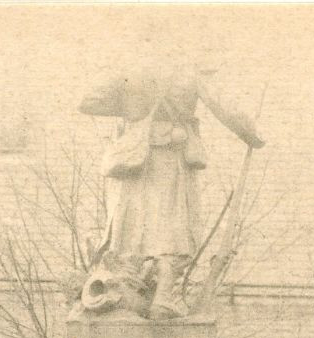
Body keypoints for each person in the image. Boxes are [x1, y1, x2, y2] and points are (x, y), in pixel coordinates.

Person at [78, 61, 263, 320]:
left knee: (129, 228)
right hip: (170, 159)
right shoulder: (188, 67)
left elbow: (88, 101)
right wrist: (253, 134)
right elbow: (225, 107)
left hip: (132, 161)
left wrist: (133, 108)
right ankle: (163, 297)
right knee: (175, 228)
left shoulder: (131, 66)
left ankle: (127, 295)